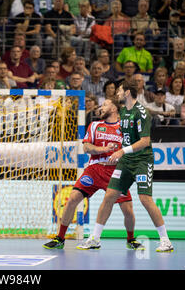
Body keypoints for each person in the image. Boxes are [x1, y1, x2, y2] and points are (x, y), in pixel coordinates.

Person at [77, 80, 174, 252]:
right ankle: (95, 238)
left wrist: (122, 151)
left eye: (120, 90)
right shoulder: (122, 111)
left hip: (142, 160)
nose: (117, 93)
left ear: (128, 92)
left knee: (145, 199)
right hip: (126, 161)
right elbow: (122, 134)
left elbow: (145, 141)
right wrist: (114, 150)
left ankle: (165, 240)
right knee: (109, 196)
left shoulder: (142, 112)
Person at [43, 97, 144, 250]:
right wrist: (104, 150)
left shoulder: (125, 128)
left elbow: (133, 150)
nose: (101, 107)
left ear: (114, 108)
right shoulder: (95, 125)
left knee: (128, 210)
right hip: (94, 169)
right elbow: (86, 148)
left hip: (115, 172)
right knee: (72, 199)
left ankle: (131, 239)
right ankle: (60, 238)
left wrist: (121, 156)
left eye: (105, 104)